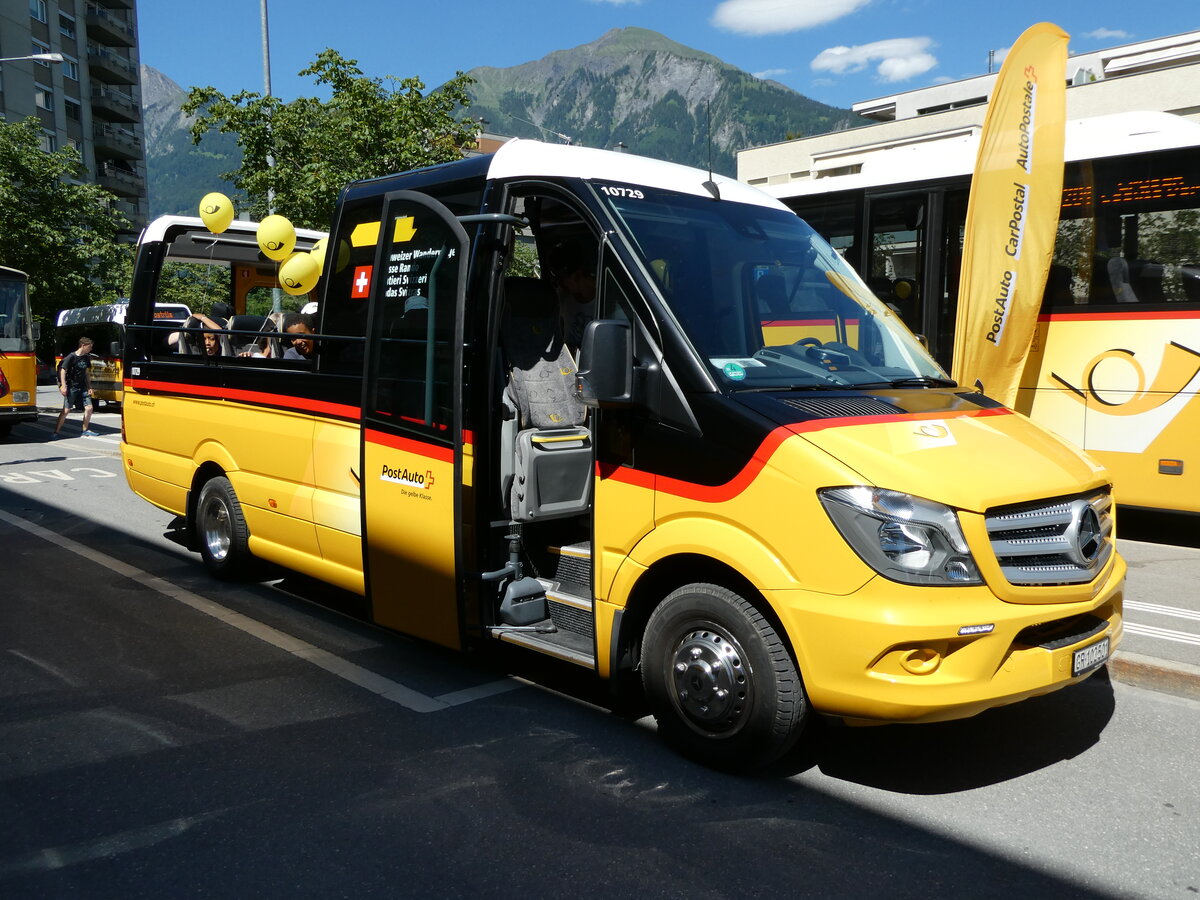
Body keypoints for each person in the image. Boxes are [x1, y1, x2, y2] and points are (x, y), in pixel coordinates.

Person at [546, 234, 597, 354]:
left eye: (560, 278)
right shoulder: (563, 296)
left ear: (577, 274)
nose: (559, 284)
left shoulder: (608, 298)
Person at [53, 337, 97, 438]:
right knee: (66, 410)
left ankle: (85, 430)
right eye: (90, 347)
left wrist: (89, 387)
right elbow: (63, 370)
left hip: (83, 386)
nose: (91, 349)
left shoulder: (86, 357)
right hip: (72, 386)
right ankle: (56, 432)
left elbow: (86, 373)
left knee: (89, 408)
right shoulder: (71, 357)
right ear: (83, 346)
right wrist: (63, 386)